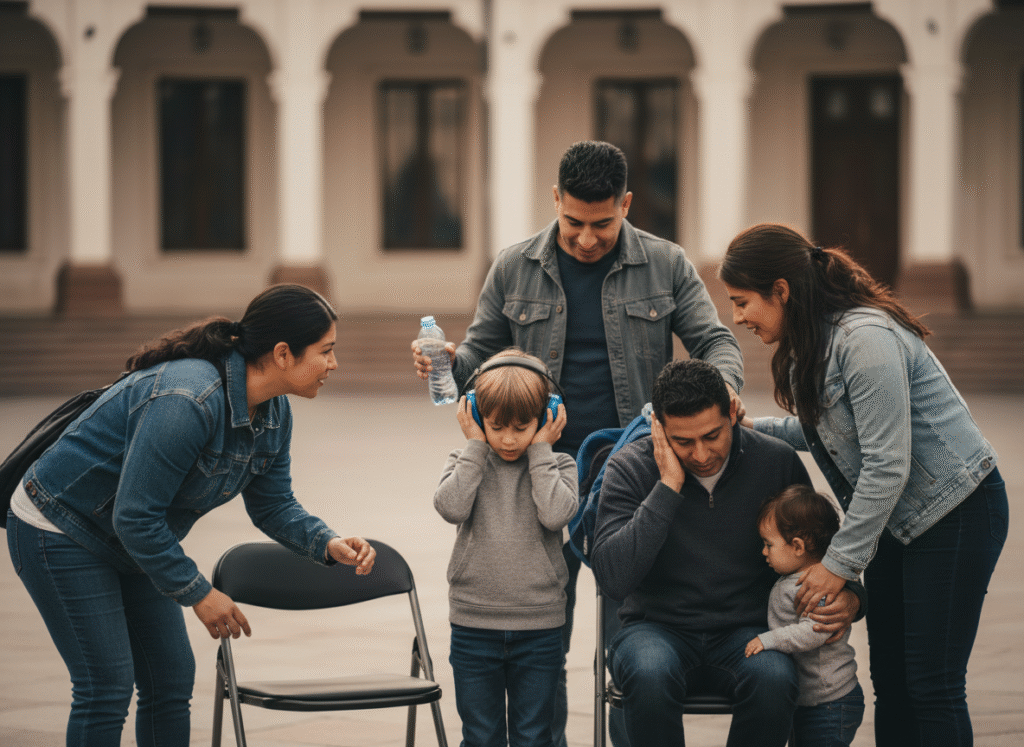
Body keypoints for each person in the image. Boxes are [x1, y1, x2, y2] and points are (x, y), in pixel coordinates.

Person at [412, 140, 744, 745]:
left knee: (631, 642)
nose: (587, 238)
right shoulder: (515, 266)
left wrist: (723, 387)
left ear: (626, 204)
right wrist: (446, 360)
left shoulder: (667, 263)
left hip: (636, 475)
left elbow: (716, 343)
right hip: (540, 477)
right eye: (573, 223)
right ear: (556, 200)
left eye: (603, 224)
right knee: (544, 641)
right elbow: (480, 364)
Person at [6, 284, 377, 747]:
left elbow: (273, 503)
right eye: (326, 351)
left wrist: (326, 542)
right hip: (59, 526)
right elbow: (136, 516)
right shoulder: (187, 401)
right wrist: (199, 592)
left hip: (132, 538)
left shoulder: (275, 413)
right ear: (283, 353)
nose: (334, 365)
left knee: (170, 682)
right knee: (107, 686)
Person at [720, 222, 1008, 747]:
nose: (737, 317)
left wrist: (838, 565)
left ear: (781, 291)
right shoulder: (819, 343)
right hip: (898, 521)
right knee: (893, 687)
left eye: (743, 302)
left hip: (956, 512)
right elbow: (831, 434)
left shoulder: (864, 340)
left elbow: (885, 464)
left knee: (932, 686)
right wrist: (749, 427)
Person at [591, 359, 863, 747]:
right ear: (660, 431)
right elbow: (613, 578)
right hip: (653, 629)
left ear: (732, 415)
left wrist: (853, 595)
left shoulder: (775, 460)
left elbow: (818, 546)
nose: (701, 454)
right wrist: (667, 486)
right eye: (683, 441)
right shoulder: (630, 468)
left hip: (749, 630)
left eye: (712, 435)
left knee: (774, 678)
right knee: (649, 673)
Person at [433, 349, 578, 747]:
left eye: (522, 426)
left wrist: (542, 451)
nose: (509, 438)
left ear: (547, 416)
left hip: (540, 629)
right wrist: (476, 447)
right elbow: (451, 507)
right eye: (496, 426)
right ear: (476, 417)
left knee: (534, 736)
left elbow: (555, 515)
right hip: (473, 626)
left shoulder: (560, 465)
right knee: (481, 737)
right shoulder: (465, 460)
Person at [745, 484, 864, 747]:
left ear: (797, 546)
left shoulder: (814, 587)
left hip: (830, 702)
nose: (764, 552)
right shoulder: (795, 578)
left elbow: (814, 631)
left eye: (768, 544)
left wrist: (769, 640)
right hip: (811, 700)